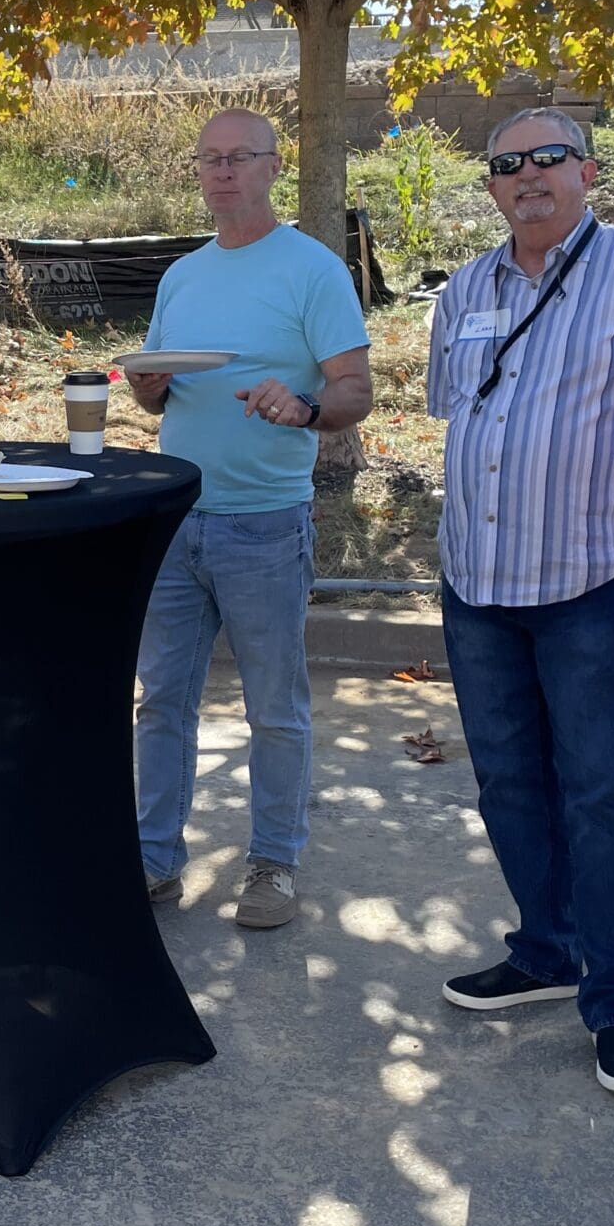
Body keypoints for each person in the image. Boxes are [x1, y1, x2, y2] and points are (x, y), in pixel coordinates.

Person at [427, 106, 614, 1100]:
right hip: (478, 582)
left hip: (592, 585)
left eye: (549, 157)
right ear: (491, 187)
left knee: (599, 793)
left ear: (588, 171)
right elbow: (461, 415)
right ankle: (547, 949)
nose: (528, 175)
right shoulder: (464, 290)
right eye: (506, 163)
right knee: (508, 782)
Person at [129, 108, 373, 931]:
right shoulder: (182, 275)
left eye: (240, 157)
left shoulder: (312, 270)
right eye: (210, 159)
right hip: (174, 520)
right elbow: (156, 387)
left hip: (265, 524)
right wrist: (147, 387)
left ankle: (273, 862)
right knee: (162, 701)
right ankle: (153, 858)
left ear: (274, 167)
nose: (224, 171)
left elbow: (355, 389)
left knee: (274, 708)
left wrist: (304, 407)